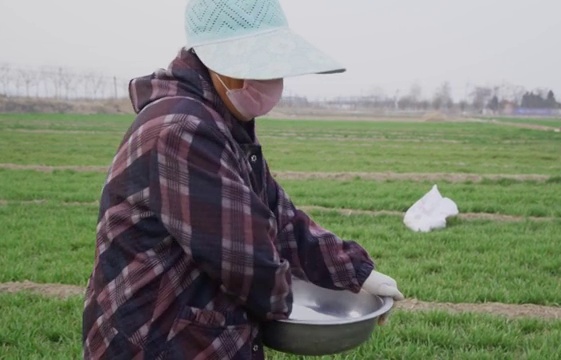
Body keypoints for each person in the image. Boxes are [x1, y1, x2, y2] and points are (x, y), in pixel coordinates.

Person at [82, 0, 403, 358]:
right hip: (158, 340)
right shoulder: (182, 130)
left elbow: (279, 217)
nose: (275, 81)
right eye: (265, 67)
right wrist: (308, 309)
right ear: (224, 66)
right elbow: (247, 261)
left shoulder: (219, 124)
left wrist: (355, 272)